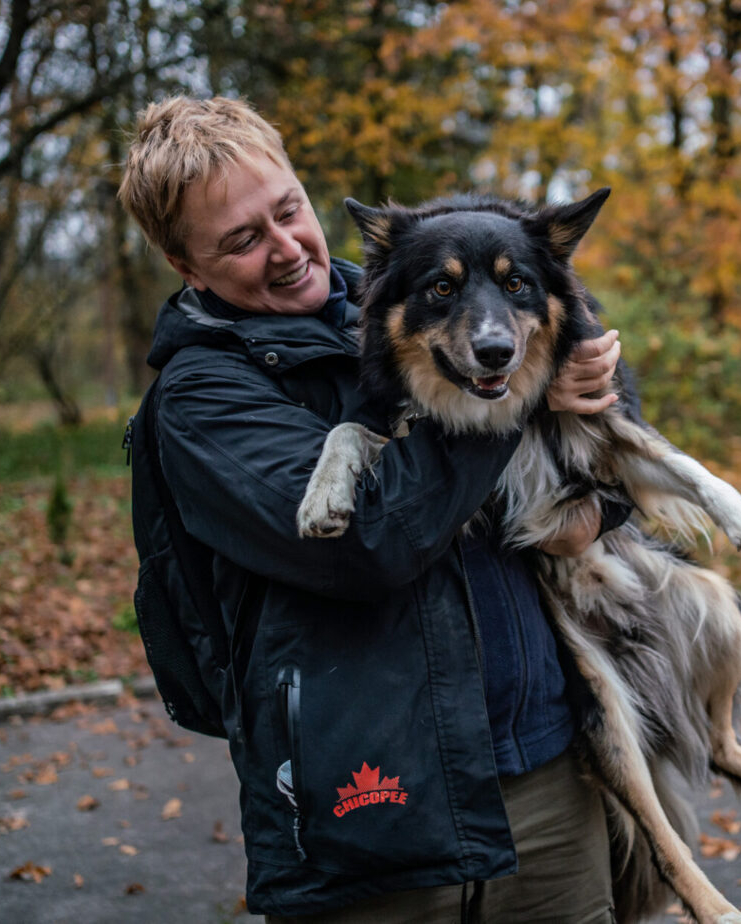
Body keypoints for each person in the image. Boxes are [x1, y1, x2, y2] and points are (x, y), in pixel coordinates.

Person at [118, 96, 626, 922]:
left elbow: (594, 459)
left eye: (288, 211)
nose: (286, 250)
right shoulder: (200, 399)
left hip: (540, 775)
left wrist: (600, 510)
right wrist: (513, 397)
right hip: (369, 815)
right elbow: (370, 541)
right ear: (187, 265)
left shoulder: (418, 299)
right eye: (243, 241)